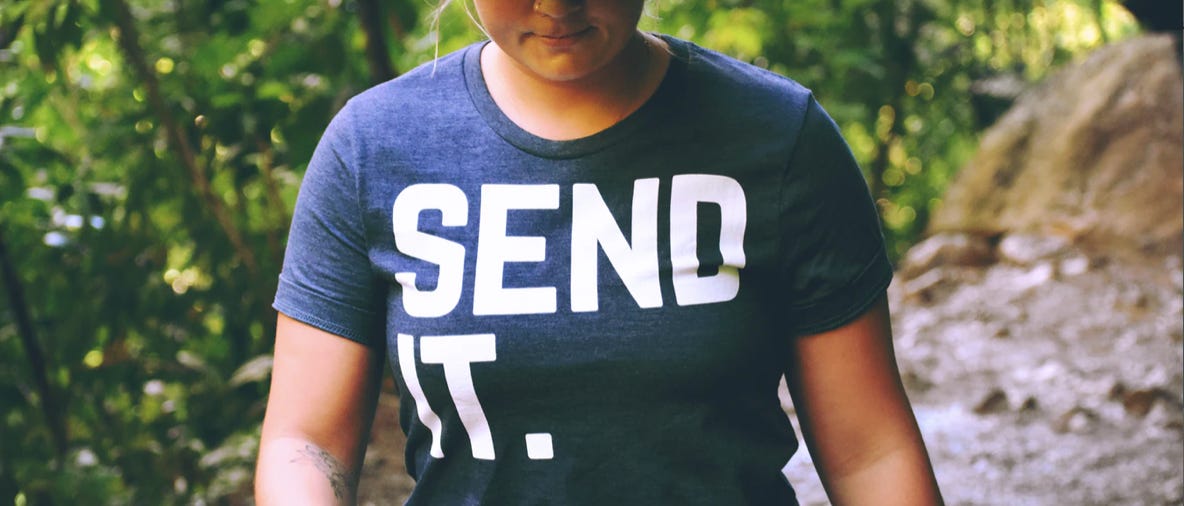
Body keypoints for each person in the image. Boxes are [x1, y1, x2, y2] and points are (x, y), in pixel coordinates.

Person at [255, 0, 944, 503]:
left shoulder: (780, 138)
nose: (557, 4)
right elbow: (303, 442)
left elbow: (870, 453)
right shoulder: (371, 149)